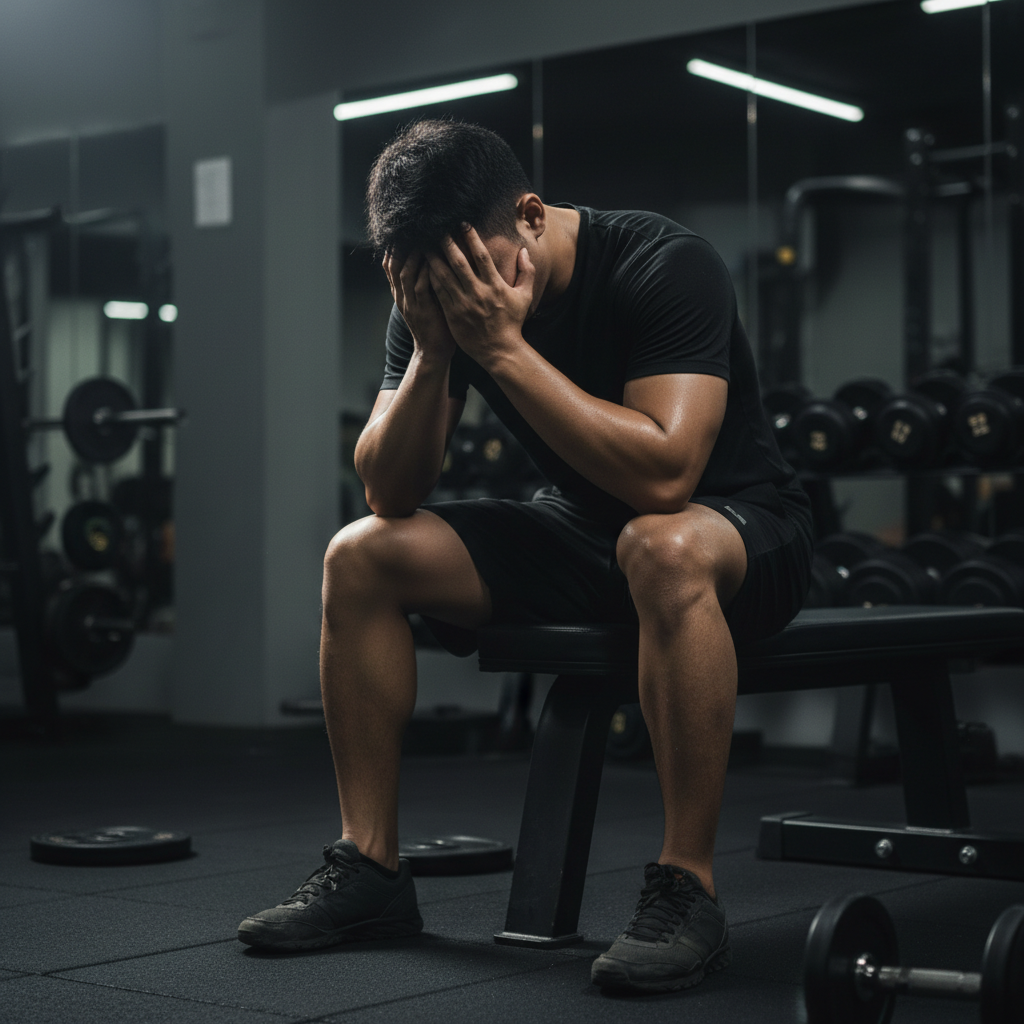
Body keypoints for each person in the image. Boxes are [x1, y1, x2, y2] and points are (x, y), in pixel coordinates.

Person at [237, 119, 813, 995]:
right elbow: (388, 491)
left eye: (476, 275)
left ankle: (686, 887)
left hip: (735, 528)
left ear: (533, 215)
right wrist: (435, 349)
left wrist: (501, 349)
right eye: (438, 289)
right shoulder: (439, 297)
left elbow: (667, 473)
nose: (465, 298)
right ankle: (372, 869)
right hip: (586, 532)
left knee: (656, 544)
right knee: (360, 554)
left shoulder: (664, 261)